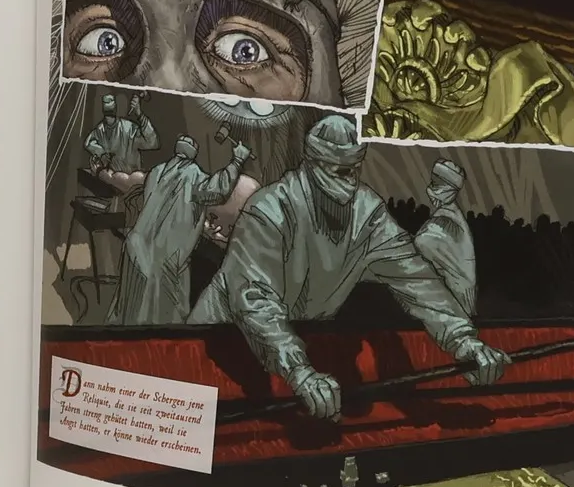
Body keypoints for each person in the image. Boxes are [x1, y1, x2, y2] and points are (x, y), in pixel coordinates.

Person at [187, 115, 508, 420]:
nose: (349, 181)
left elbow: (416, 279)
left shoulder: (367, 215)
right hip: (214, 342)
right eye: (338, 170)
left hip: (286, 352)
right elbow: (255, 300)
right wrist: (298, 370)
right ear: (311, 163)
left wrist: (463, 340)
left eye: (353, 170)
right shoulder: (269, 211)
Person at [113, 134, 251, 325]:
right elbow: (218, 190)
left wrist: (201, 227)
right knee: (166, 319)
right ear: (193, 154)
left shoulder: (157, 171)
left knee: (131, 312)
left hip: (135, 249)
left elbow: (169, 211)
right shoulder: (193, 176)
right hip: (164, 260)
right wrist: (237, 160)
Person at [413, 157, 476, 317]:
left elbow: (420, 244)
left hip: (455, 304)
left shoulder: (447, 220)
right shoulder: (450, 215)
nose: (431, 190)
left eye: (437, 185)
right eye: (433, 183)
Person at [83, 92, 158, 180]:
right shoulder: (99, 130)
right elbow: (88, 143)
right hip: (108, 181)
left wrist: (139, 114)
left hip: (130, 183)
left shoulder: (129, 129)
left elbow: (153, 143)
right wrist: (101, 153)